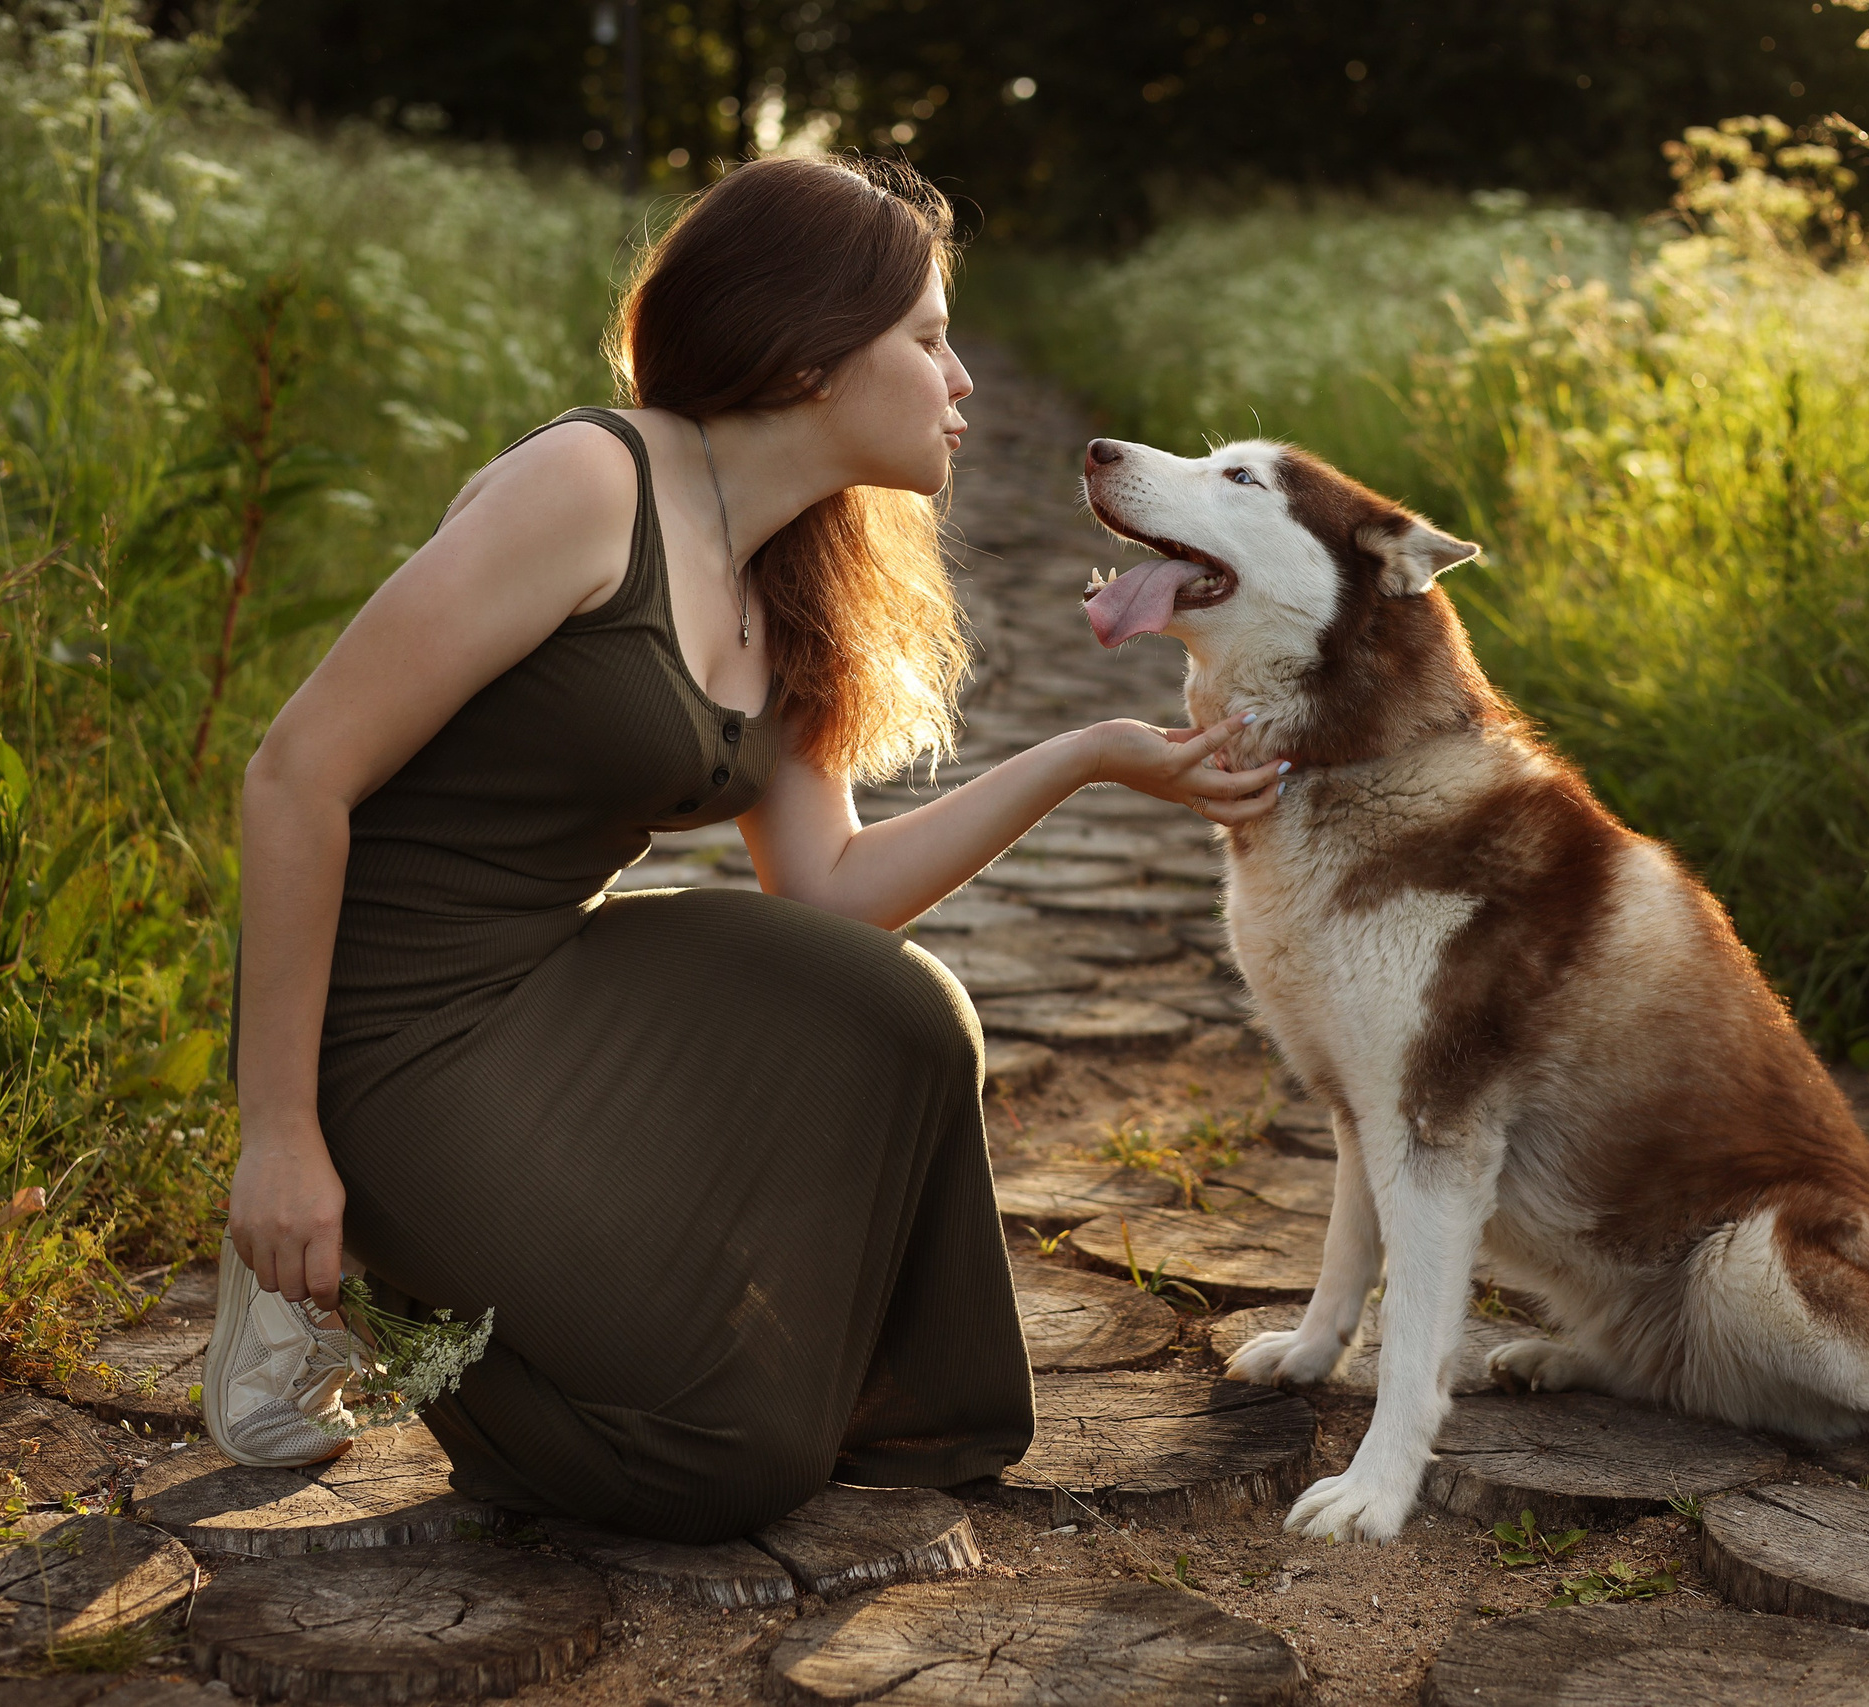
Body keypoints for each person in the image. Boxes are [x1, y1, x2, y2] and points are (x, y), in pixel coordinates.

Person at [210, 154, 1287, 1543]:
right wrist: (279, 1132)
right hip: (376, 1028)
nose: (963, 381)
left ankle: (882, 1407)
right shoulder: (589, 487)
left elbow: (832, 896)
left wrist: (1087, 759)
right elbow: (296, 775)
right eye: (929, 339)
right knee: (718, 1461)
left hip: (542, 981)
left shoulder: (795, 580)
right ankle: (383, 1303)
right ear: (810, 356)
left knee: (897, 1011)